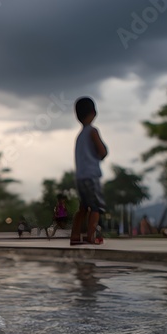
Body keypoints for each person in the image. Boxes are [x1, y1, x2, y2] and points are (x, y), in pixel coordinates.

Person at [70, 96, 108, 245]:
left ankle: (75, 235)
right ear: (94, 112)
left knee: (83, 207)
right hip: (91, 176)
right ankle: (91, 236)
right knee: (96, 207)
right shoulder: (93, 131)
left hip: (80, 177)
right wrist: (103, 153)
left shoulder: (79, 136)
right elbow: (102, 151)